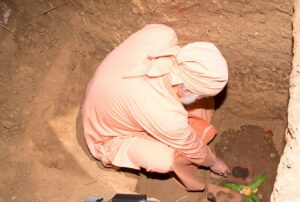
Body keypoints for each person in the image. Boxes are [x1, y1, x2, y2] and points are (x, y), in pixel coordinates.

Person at [82, 24, 230, 191]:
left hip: (104, 88)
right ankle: (116, 155)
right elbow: (193, 148)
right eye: (198, 93)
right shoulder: (165, 114)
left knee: (198, 104)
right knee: (165, 159)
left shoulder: (162, 34)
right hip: (106, 131)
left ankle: (179, 132)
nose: (201, 97)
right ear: (183, 87)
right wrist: (214, 162)